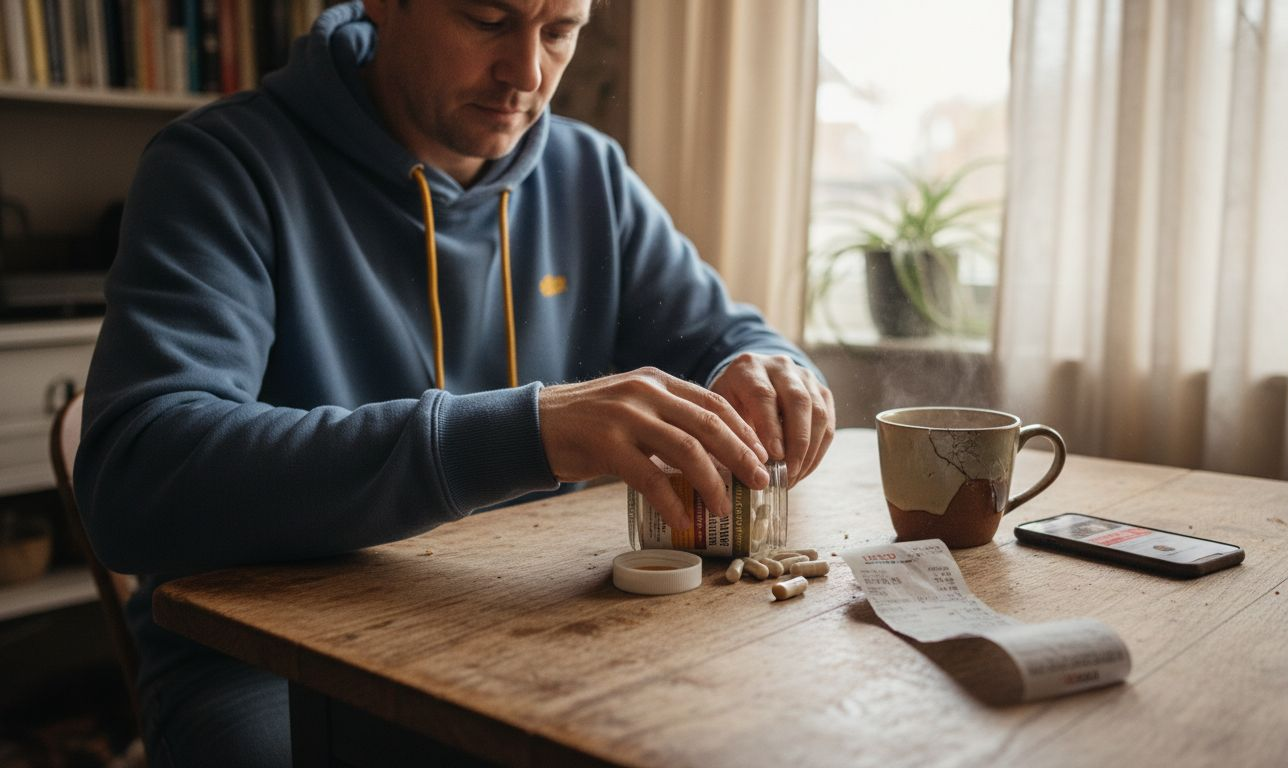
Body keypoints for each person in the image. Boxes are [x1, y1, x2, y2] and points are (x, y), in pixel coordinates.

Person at [74, 0, 835, 765]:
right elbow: (136, 474)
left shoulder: (588, 173)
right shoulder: (220, 165)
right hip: (266, 665)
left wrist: (768, 368)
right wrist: (528, 433)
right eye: (486, 19)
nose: (528, 73)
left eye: (560, 31)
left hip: (535, 628)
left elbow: (727, 337)